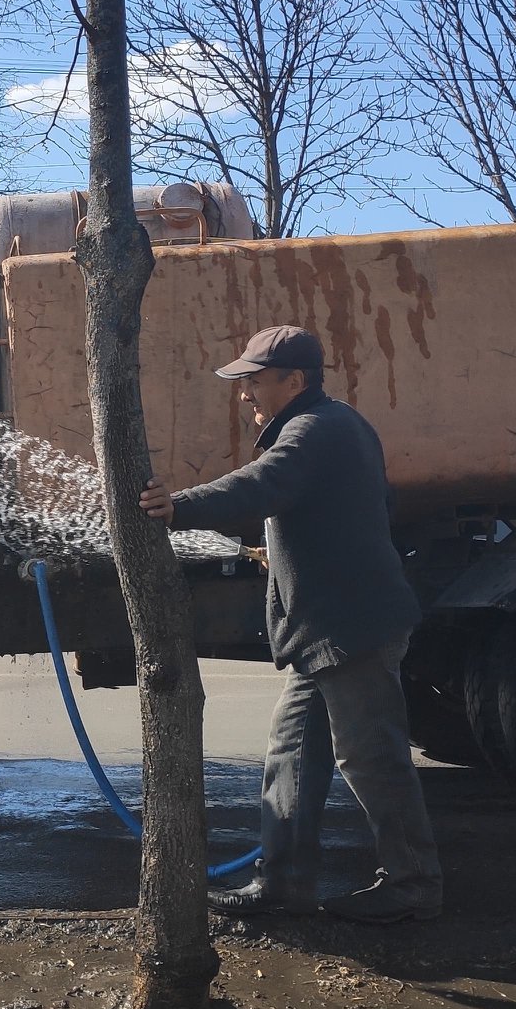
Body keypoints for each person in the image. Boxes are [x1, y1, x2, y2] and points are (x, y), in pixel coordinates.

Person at [138, 325, 443, 925]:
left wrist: (179, 507)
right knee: (293, 753)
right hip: (326, 629)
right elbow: (369, 507)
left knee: (370, 758)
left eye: (254, 381)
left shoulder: (313, 431)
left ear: (294, 381)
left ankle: (413, 885)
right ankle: (282, 885)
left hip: (349, 627)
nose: (243, 393)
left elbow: (262, 486)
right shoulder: (340, 425)